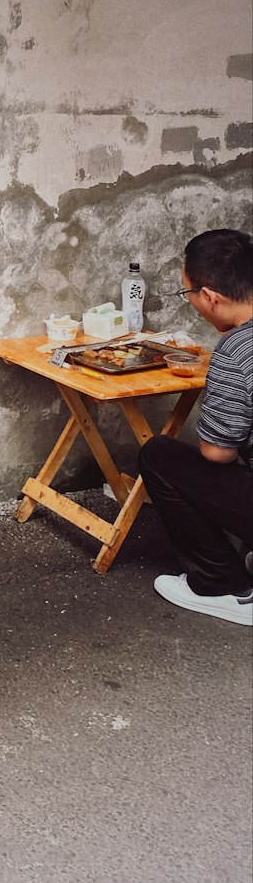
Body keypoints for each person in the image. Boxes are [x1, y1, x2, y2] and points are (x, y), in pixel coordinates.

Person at [140, 229, 253, 626]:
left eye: (187, 294)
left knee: (159, 455)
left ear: (210, 297)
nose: (191, 303)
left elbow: (217, 452)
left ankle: (223, 585)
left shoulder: (237, 349)